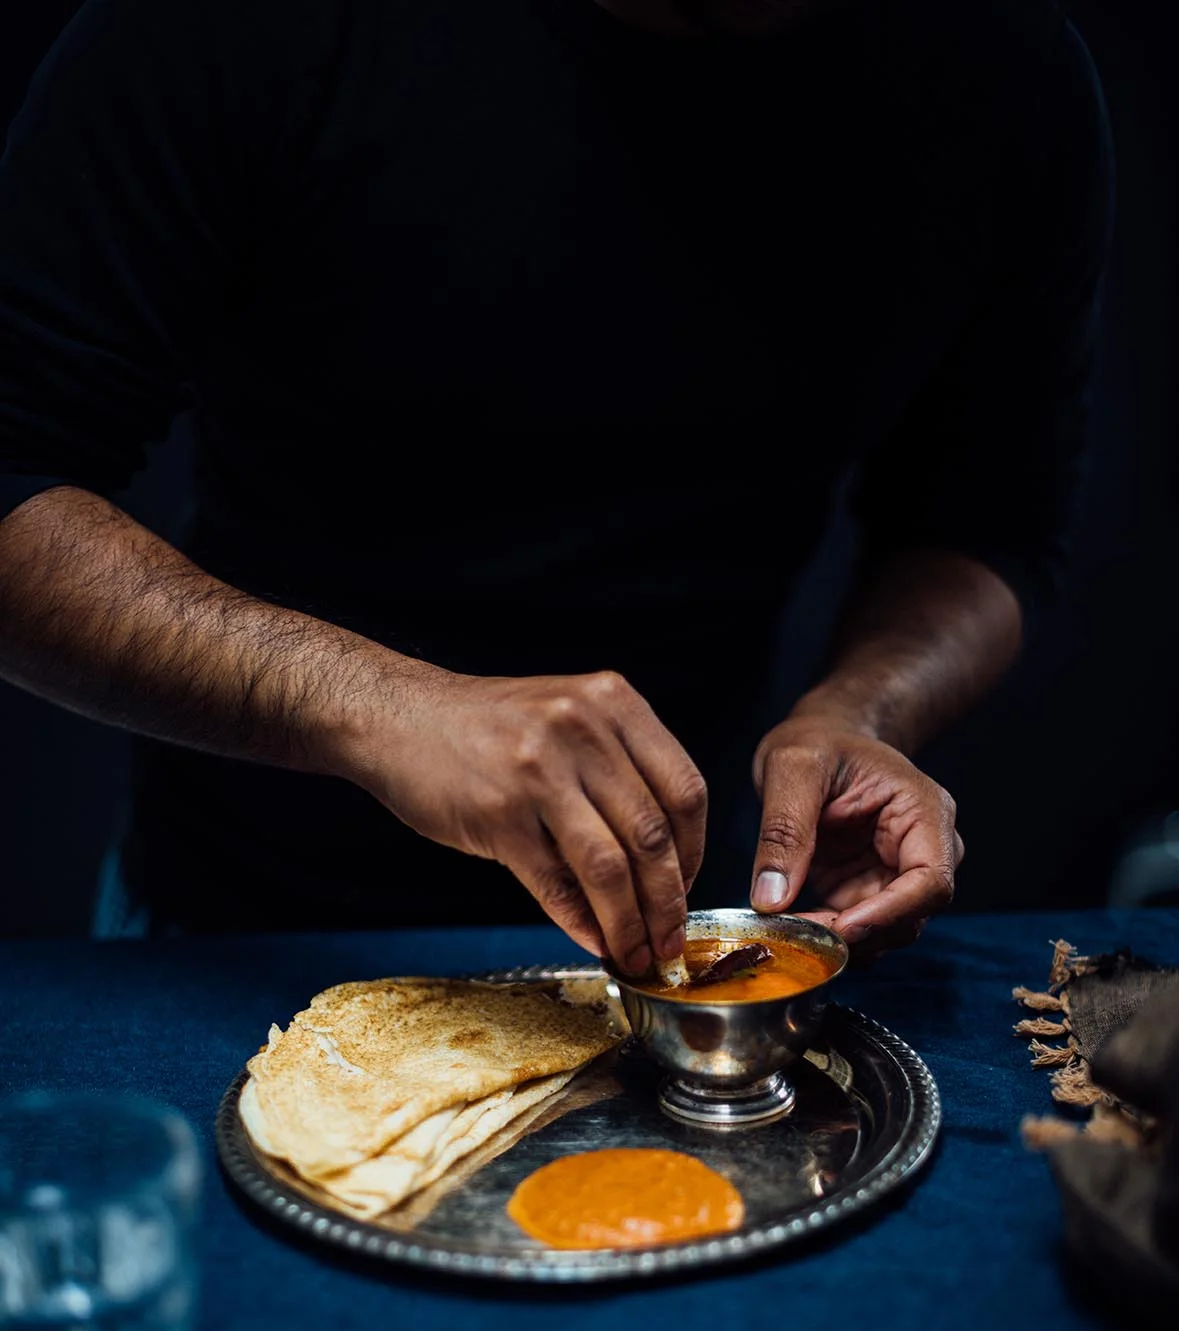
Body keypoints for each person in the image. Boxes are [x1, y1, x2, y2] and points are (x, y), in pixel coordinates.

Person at [0, 0, 1112, 972]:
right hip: (243, 933)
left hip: (670, 941)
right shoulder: (250, 24)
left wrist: (858, 709)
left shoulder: (1005, 66)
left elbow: (987, 527)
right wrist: (384, 707)